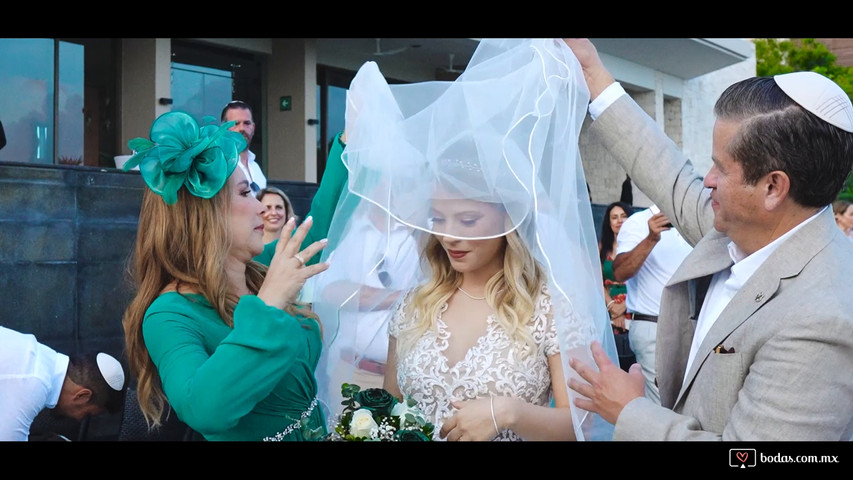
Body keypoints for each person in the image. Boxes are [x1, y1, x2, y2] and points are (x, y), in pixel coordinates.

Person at [313, 38, 618, 442]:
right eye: (438, 218)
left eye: (469, 219)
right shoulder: (414, 305)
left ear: (507, 220)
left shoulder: (548, 308)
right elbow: (392, 412)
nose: (450, 235)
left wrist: (509, 413)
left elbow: (582, 425)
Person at [564, 38, 853, 440]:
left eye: (720, 167)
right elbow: (667, 172)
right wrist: (593, 72)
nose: (708, 181)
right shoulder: (748, 227)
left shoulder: (824, 318)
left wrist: (630, 412)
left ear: (773, 187)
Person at [121, 111, 349, 441]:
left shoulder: (259, 272)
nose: (262, 208)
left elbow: (319, 227)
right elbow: (205, 409)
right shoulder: (169, 315)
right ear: (204, 215)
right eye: (245, 193)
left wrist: (345, 146)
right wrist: (269, 306)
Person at [315, 201, 420, 402]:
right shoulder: (348, 230)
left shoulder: (423, 230)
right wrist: (406, 297)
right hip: (357, 375)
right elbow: (331, 291)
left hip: (412, 377)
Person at [612, 204, 692, 404]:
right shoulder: (637, 223)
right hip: (654, 327)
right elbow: (620, 272)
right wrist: (651, 238)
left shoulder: (692, 219)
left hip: (693, 328)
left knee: (687, 405)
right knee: (662, 407)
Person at [0, 326, 125, 441]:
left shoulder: (41, 358)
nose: (79, 419)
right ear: (83, 395)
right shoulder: (35, 384)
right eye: (87, 414)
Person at [598, 201, 634, 370]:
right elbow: (596, 280)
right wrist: (612, 306)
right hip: (607, 312)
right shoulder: (601, 248)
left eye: (623, 216)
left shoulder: (638, 247)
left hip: (634, 310)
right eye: (614, 217)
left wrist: (624, 307)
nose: (619, 221)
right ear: (609, 222)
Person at [221, 100, 266, 195]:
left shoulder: (255, 167)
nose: (242, 128)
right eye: (235, 123)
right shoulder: (219, 166)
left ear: (253, 128)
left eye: (247, 123)